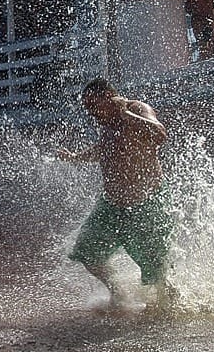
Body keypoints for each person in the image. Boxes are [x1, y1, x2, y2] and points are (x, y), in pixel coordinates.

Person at [58, 77, 172, 309]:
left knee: (154, 268)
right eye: (86, 107)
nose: (90, 113)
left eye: (93, 105)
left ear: (109, 98)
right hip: (110, 205)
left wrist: (125, 115)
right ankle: (118, 294)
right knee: (88, 253)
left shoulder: (136, 109)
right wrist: (75, 157)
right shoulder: (108, 122)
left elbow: (160, 135)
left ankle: (166, 309)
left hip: (146, 203)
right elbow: (105, 148)